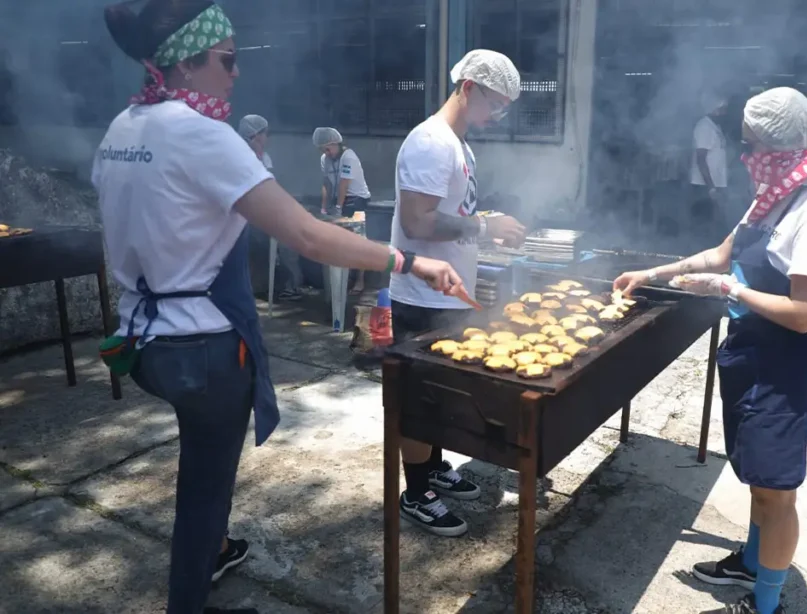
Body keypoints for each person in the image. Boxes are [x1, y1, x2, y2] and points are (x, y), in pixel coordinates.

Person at [93, 2, 462, 612]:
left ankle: (214, 551)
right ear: (186, 62)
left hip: (144, 340)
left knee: (200, 460)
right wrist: (408, 261)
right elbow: (310, 237)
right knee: (205, 489)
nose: (237, 74)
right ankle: (189, 592)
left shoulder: (121, 129)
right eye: (227, 60)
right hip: (204, 347)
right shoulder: (203, 136)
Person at [615, 87, 807, 614]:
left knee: (776, 491)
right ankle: (750, 559)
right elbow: (722, 254)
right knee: (756, 475)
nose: (745, 157)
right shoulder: (774, 196)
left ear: (785, 147)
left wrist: (730, 292)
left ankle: (766, 605)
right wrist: (655, 274)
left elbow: (803, 312)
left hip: (792, 366)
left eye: (752, 145)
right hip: (753, 353)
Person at [389, 49, 527, 537]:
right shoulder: (430, 143)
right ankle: (415, 491)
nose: (497, 116)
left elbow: (455, 214)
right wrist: (485, 229)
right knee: (416, 399)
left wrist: (482, 226)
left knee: (441, 398)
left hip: (450, 294)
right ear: (468, 88)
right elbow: (418, 221)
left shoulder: (460, 145)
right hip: (421, 295)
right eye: (495, 104)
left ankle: (433, 468)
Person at [238, 115, 304, 302]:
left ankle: (288, 285)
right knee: (252, 250)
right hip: (243, 213)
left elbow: (270, 182)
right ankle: (253, 287)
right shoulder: (240, 154)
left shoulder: (263, 156)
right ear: (256, 135)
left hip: (261, 212)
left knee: (279, 245)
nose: (267, 138)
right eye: (265, 134)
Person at [314, 126, 371, 293]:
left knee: (358, 239)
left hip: (356, 198)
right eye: (323, 149)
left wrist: (338, 208)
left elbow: (344, 185)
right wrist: (324, 208)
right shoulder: (325, 159)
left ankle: (360, 280)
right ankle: (339, 279)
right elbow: (327, 183)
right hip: (338, 197)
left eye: (329, 148)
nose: (327, 152)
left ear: (337, 144)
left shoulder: (349, 157)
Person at [691, 92, 730, 235]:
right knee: (704, 226)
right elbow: (701, 159)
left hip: (715, 184)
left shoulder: (715, 126)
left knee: (713, 225)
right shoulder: (704, 127)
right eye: (723, 108)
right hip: (705, 186)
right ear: (715, 108)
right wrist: (711, 188)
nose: (725, 112)